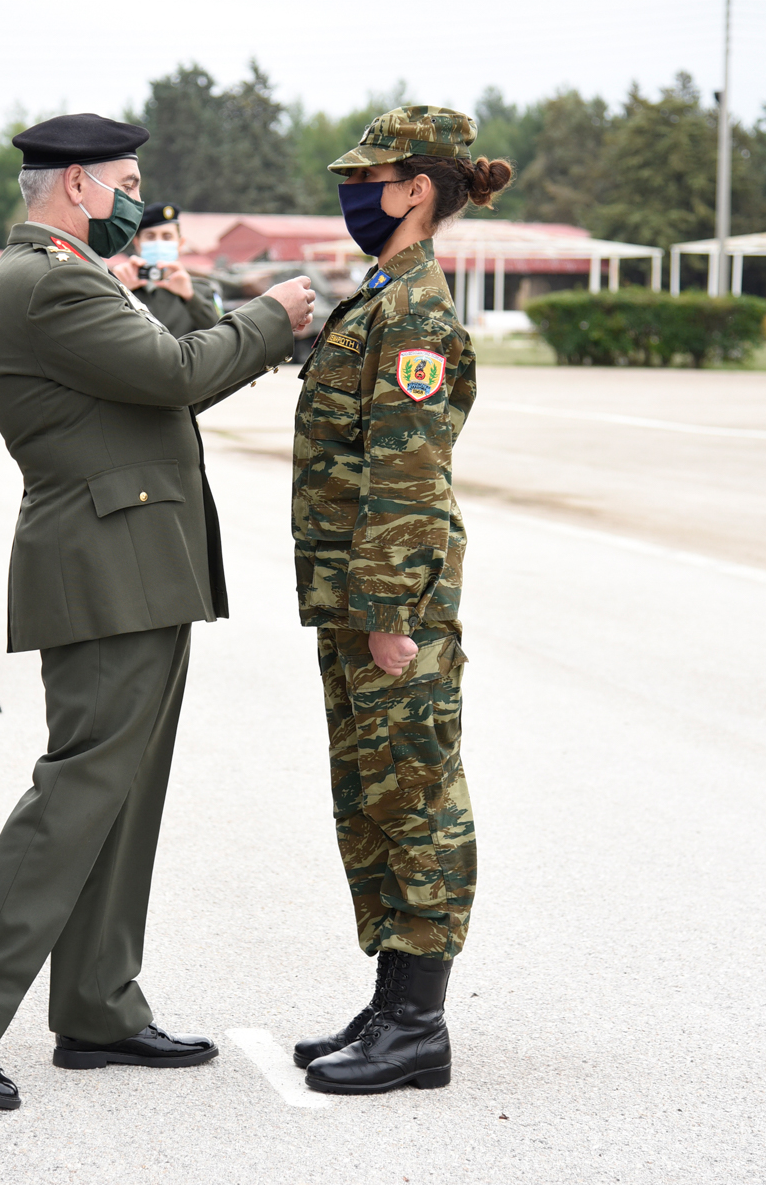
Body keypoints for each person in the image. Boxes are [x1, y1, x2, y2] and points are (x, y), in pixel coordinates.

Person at [0, 112, 314, 1110]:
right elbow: (177, 375)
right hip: (103, 564)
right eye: (125, 178)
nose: (136, 196)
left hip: (134, 561)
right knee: (80, 790)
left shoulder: (70, 278)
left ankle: (97, 1006)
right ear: (78, 184)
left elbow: (156, 384)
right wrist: (274, 316)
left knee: (121, 798)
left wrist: (226, 329)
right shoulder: (50, 281)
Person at [290, 106, 511, 1094]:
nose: (353, 194)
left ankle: (419, 1026)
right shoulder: (383, 295)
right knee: (373, 792)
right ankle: (392, 1005)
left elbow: (409, 474)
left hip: (389, 600)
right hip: (354, 592)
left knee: (415, 792)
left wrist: (389, 612)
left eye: (368, 177)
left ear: (416, 188)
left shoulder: (416, 311)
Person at [111, 202, 222, 338]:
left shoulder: (201, 291)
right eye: (150, 237)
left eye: (167, 237)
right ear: (137, 243)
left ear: (180, 244)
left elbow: (221, 338)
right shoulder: (122, 285)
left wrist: (191, 298)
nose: (158, 243)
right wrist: (117, 289)